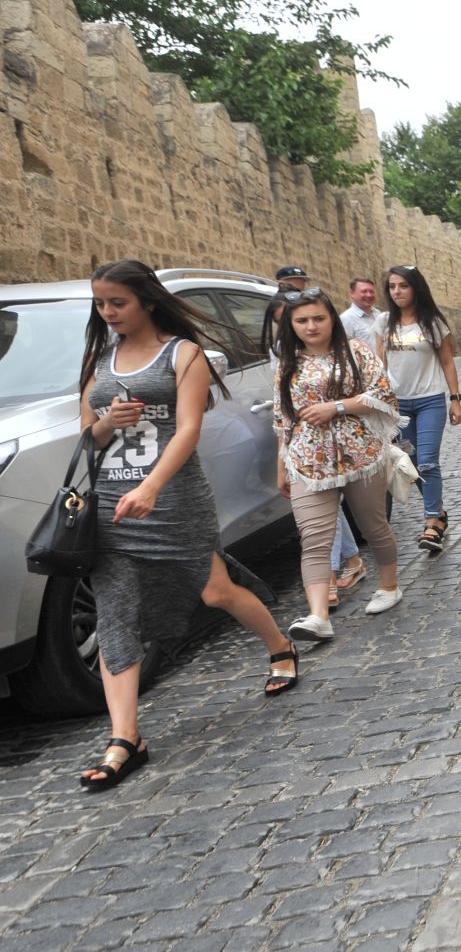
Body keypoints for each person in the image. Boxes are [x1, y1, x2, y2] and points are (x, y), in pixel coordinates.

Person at [75, 260, 300, 791]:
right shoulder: (98, 361)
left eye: (117, 303)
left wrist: (152, 485)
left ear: (146, 301)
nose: (108, 313)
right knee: (116, 614)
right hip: (113, 505)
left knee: (217, 591)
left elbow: (189, 429)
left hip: (173, 500)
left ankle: (280, 646)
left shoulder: (183, 353)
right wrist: (108, 422)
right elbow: (88, 438)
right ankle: (125, 739)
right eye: (101, 304)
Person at [274, 288, 404, 642]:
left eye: (318, 318)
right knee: (314, 538)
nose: (311, 326)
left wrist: (338, 407)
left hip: (360, 453)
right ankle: (318, 616)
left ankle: (389, 586)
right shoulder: (288, 362)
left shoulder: (356, 352)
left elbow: (383, 395)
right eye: (301, 320)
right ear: (291, 324)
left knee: (372, 525)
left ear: (332, 317)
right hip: (308, 460)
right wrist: (282, 464)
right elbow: (283, 417)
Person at [381, 266, 461, 554]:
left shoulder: (433, 322)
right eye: (392, 287)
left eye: (403, 285)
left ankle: (430, 522)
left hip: (430, 400)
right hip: (398, 406)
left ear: (415, 288)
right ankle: (439, 514)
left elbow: (447, 361)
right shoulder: (383, 322)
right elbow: (379, 366)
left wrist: (455, 398)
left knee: (428, 461)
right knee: (412, 465)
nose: (397, 292)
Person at [340, 276, 385, 348]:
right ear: (352, 293)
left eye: (371, 291)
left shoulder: (378, 314)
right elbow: (344, 349)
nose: (369, 295)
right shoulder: (346, 319)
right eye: (364, 291)